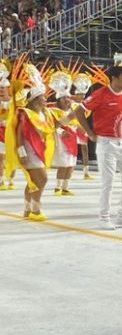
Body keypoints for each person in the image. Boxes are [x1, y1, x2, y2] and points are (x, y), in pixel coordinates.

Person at [74, 65, 122, 230]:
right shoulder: (100, 94)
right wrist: (90, 134)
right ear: (114, 78)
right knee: (108, 182)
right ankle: (104, 217)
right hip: (106, 143)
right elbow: (78, 111)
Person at [6, 62, 55, 221]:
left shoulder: (45, 113)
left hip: (40, 149)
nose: (45, 99)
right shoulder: (25, 113)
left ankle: (27, 209)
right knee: (43, 179)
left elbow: (52, 128)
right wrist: (21, 152)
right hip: (29, 150)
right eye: (43, 97)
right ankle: (35, 209)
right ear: (34, 100)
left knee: (33, 181)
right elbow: (19, 133)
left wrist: (62, 131)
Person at [47, 69, 83, 197]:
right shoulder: (54, 111)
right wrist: (62, 131)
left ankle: (66, 188)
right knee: (63, 164)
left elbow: (79, 122)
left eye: (68, 98)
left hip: (73, 137)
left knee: (71, 163)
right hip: (61, 139)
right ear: (58, 100)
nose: (66, 100)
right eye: (63, 98)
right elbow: (53, 126)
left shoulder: (74, 109)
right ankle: (57, 188)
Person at [71, 72, 94, 180]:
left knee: (85, 149)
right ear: (76, 95)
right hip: (73, 129)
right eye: (80, 95)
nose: (83, 96)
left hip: (82, 129)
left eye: (84, 95)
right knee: (72, 150)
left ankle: (86, 172)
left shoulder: (85, 106)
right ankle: (68, 172)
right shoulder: (72, 104)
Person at [0, 60, 14, 191]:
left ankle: (10, 180)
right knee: (1, 157)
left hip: (10, 132)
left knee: (11, 158)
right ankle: (1, 180)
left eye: (4, 88)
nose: (2, 90)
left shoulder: (14, 102)